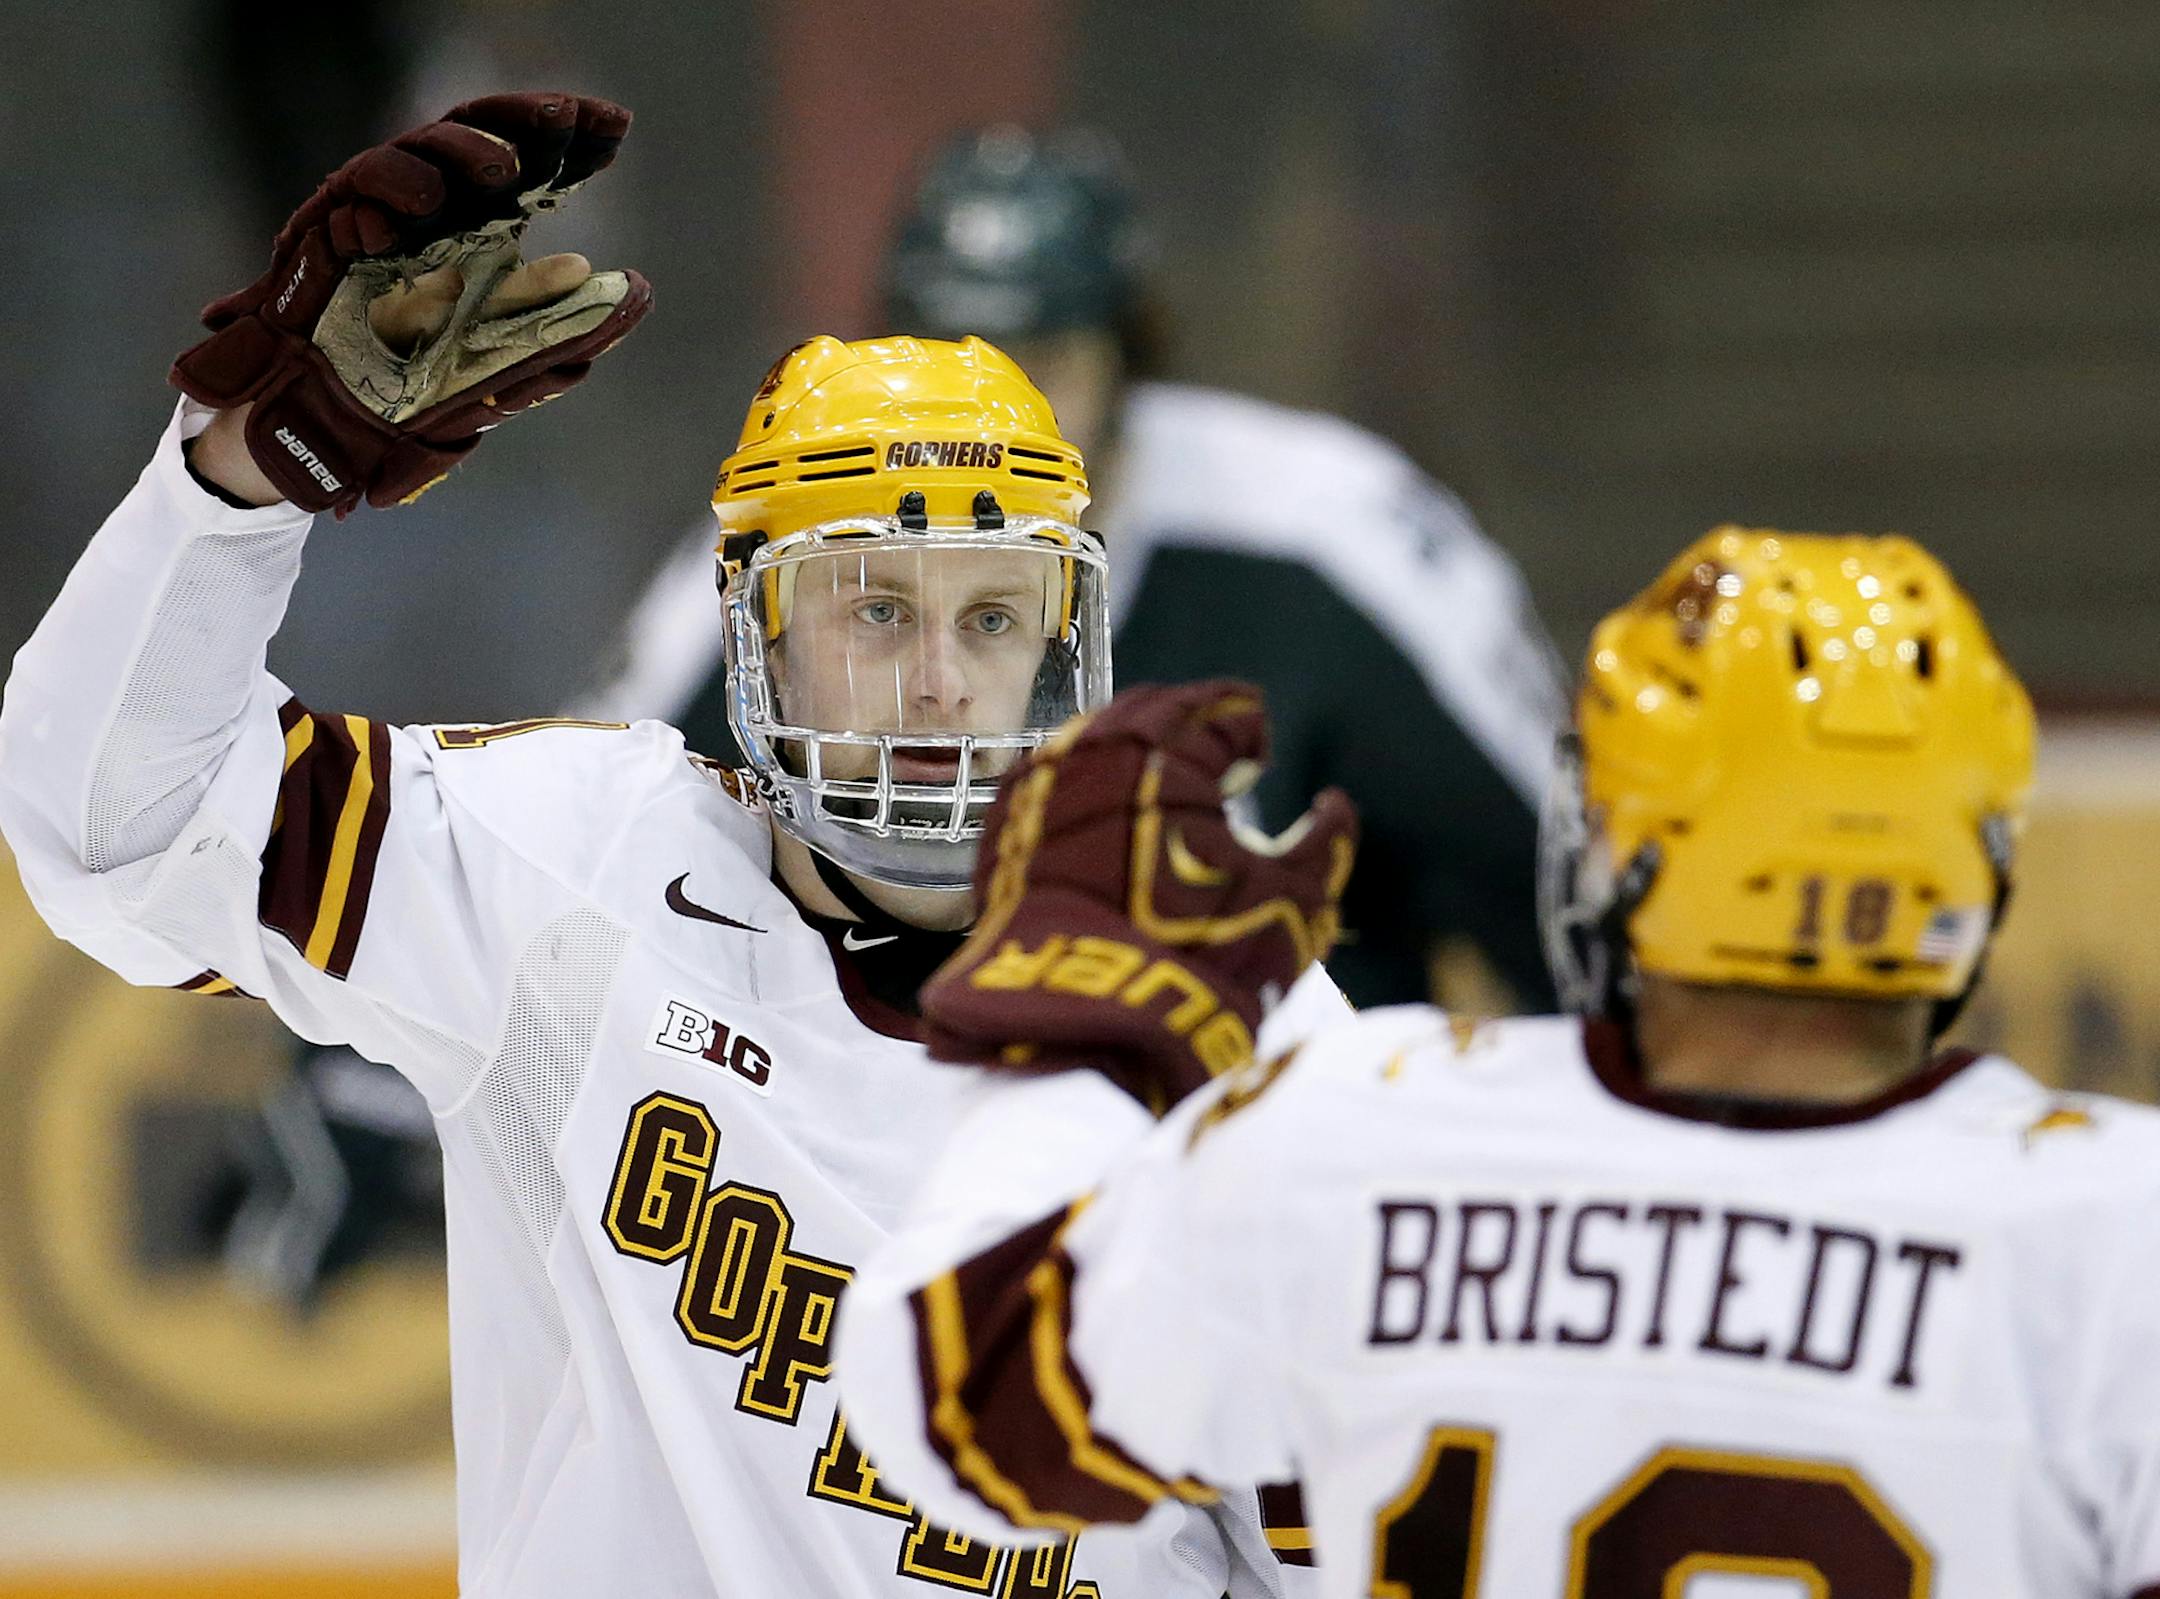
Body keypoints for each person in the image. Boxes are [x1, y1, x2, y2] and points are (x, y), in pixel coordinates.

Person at [0, 93, 1330, 1597]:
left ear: (1061, 643)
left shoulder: (1243, 1022)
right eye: (875, 606)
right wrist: (242, 476)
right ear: (755, 632)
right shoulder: (572, 875)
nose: (943, 680)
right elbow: (115, 825)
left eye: (993, 614)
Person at [833, 530, 2160, 1597]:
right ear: (1974, 872)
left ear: (1615, 841)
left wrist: (1091, 1026)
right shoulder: (2114, 1229)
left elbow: (940, 1399)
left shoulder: (1365, 1130)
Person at [579, 124, 1565, 1011]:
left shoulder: (1330, 527)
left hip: (1271, 1144)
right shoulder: (792, 540)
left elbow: (1555, 880)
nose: (999, 412)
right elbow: (594, 862)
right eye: (960, 354)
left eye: (1041, 358)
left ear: (1130, 356)